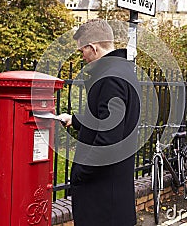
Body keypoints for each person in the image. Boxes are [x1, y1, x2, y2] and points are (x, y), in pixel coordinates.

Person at [57, 19, 141, 226]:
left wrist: (80, 173)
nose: (82, 57)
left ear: (92, 47)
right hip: (114, 191)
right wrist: (74, 120)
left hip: (102, 197)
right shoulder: (124, 71)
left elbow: (107, 139)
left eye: (82, 52)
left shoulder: (109, 78)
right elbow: (110, 121)